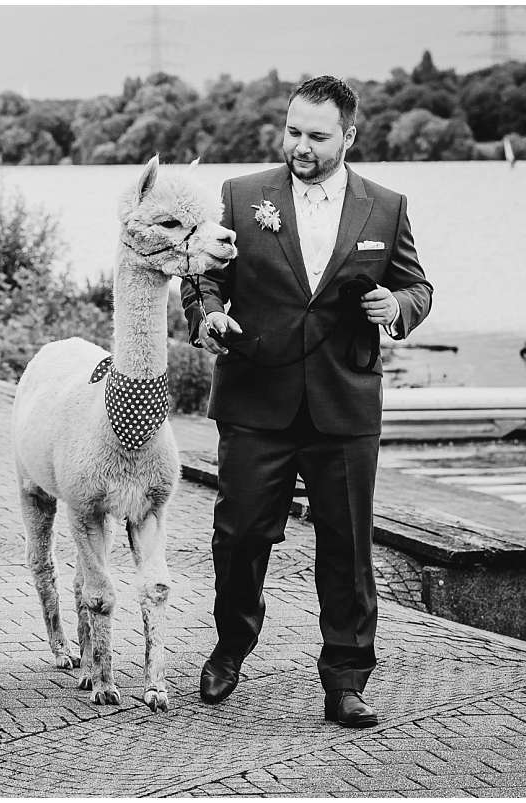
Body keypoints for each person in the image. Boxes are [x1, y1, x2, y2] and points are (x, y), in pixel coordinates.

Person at [182, 76, 433, 727]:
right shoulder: (242, 196)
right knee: (237, 538)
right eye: (293, 131)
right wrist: (208, 315)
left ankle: (346, 679)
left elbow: (416, 286)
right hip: (255, 396)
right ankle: (232, 644)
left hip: (343, 405)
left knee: (347, 548)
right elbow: (206, 277)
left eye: (316, 136)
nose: (300, 145)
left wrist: (396, 306)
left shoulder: (386, 207)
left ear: (349, 135)